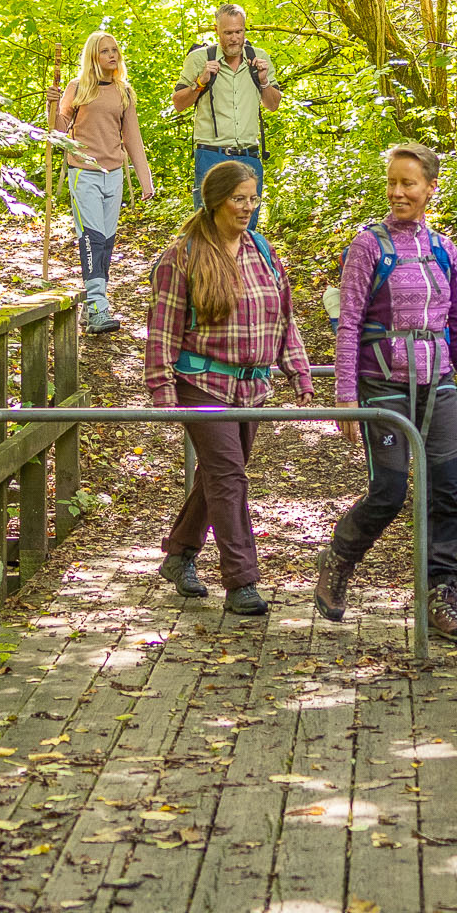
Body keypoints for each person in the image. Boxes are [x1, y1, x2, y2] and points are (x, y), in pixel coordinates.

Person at [314, 141, 457, 645]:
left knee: (444, 492)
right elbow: (348, 325)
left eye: (408, 183)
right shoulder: (368, 246)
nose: (397, 192)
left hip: (439, 387)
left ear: (430, 188)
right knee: (389, 493)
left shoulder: (444, 249)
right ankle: (340, 558)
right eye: (392, 182)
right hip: (382, 385)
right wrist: (346, 398)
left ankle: (442, 595)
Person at [142, 156, 309, 618]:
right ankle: (242, 581)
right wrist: (162, 390)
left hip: (252, 387)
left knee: (217, 476)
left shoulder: (263, 252)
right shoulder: (183, 255)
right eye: (239, 199)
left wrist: (297, 370)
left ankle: (179, 553)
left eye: (253, 199)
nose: (248, 207)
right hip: (201, 382)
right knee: (229, 477)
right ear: (215, 201)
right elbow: (161, 329)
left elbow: (284, 317)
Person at [48, 31, 155, 333]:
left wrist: (145, 179)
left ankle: (92, 305)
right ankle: (97, 306)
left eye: (114, 50)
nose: (112, 55)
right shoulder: (78, 87)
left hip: (114, 174)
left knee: (106, 241)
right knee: (91, 238)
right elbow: (59, 131)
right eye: (105, 51)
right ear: (93, 56)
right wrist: (52, 106)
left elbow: (132, 137)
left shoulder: (124, 91)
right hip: (83, 172)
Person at [173, 2, 282, 223]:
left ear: (245, 30)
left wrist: (263, 81)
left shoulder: (259, 58)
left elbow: (273, 105)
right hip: (211, 156)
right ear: (217, 31)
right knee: (209, 228)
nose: (234, 38)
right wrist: (200, 83)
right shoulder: (199, 59)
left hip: (249, 156)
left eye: (239, 32)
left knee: (246, 228)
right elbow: (179, 103)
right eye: (228, 33)